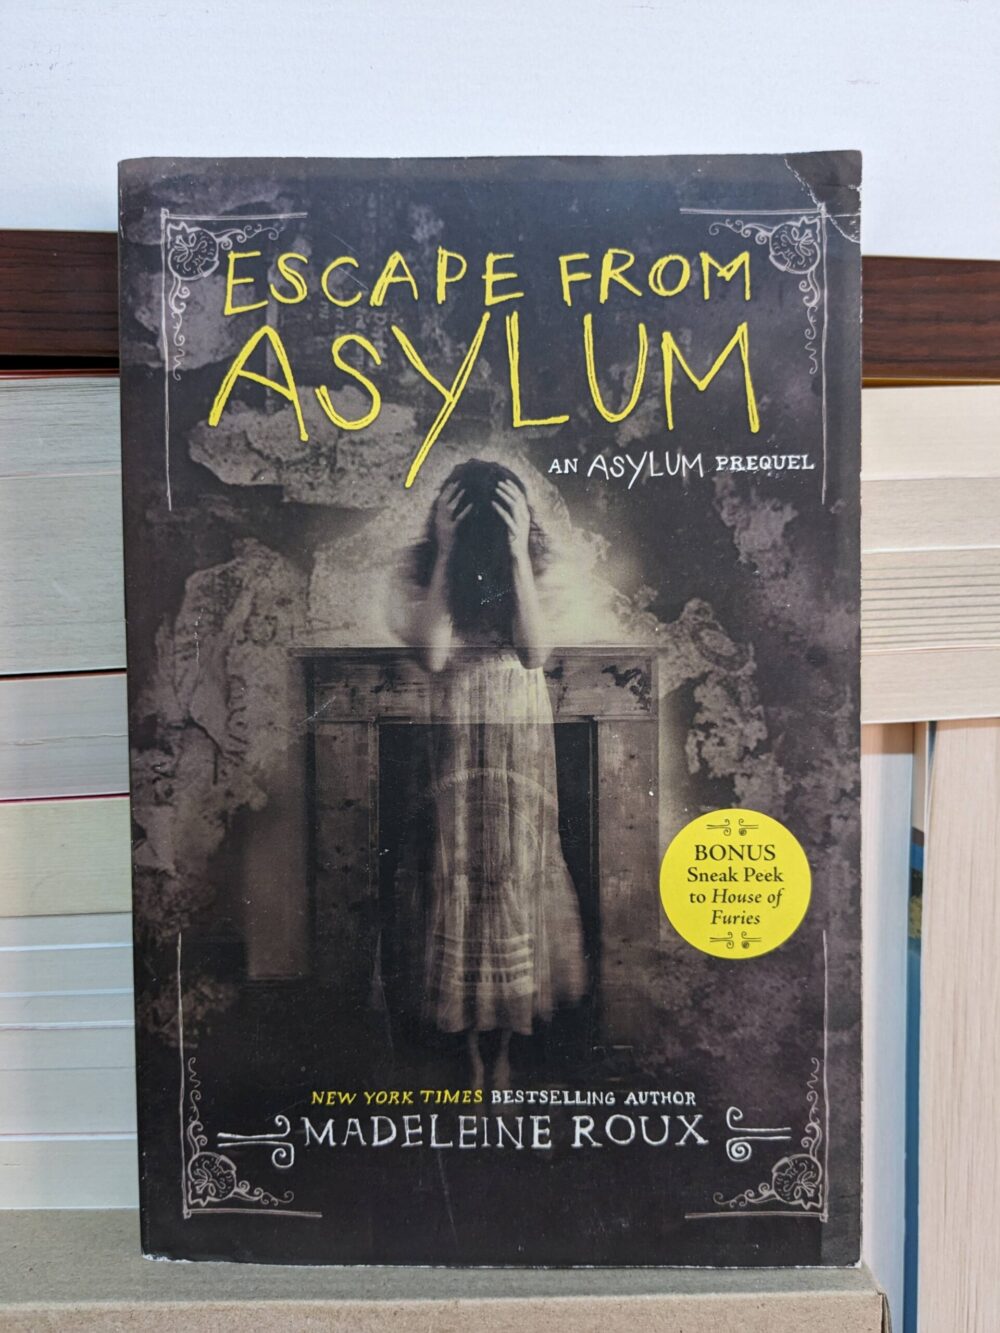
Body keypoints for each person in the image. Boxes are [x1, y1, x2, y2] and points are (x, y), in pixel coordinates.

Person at [397, 459, 586, 1089]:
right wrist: (448, 553)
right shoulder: (422, 566)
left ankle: (503, 1047)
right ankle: (469, 1051)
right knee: (458, 867)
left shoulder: (537, 567)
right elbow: (433, 654)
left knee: (514, 867)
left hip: (517, 725)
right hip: (456, 723)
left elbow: (533, 653)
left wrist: (516, 551)